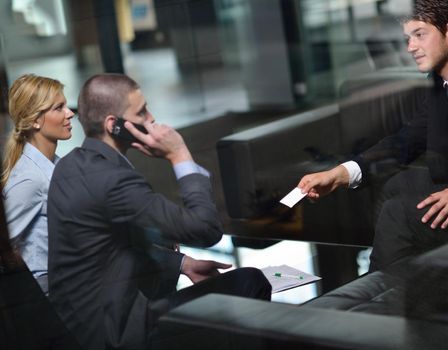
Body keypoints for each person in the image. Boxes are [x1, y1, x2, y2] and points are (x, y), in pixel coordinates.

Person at [47, 73, 271, 350]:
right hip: (118, 333)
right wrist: (180, 156)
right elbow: (206, 230)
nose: (151, 118)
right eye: (141, 112)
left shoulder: (69, 166)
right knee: (249, 282)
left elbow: (105, 251)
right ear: (114, 125)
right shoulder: (113, 180)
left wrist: (182, 264)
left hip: (85, 327)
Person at [297, 0, 448, 272]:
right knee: (398, 184)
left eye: (419, 35)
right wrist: (340, 174)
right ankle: (402, 282)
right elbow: (403, 142)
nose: (410, 47)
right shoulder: (442, 84)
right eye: (408, 38)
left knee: (398, 214)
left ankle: (382, 296)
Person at [1, 74, 74, 294]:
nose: (70, 113)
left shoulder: (55, 164)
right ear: (35, 120)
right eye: (58, 108)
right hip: (47, 293)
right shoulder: (29, 179)